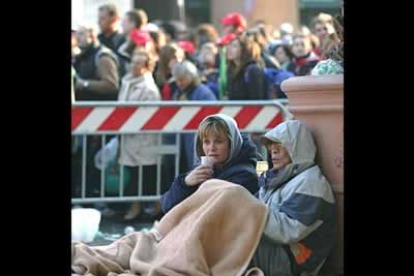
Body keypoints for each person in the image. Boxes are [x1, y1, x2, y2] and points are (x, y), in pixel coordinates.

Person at [248, 120, 336, 276]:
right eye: (271, 146)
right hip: (277, 249)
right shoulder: (277, 178)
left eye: (280, 146)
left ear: (298, 149)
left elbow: (286, 231)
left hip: (295, 261)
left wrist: (245, 210)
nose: (273, 151)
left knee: (235, 242)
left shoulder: (311, 183)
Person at [161, 113, 259, 214]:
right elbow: (166, 206)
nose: (211, 148)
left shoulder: (245, 175)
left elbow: (211, 211)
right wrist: (185, 183)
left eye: (219, 141)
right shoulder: (202, 170)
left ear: (231, 144)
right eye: (206, 142)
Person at [117, 48, 161, 220]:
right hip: (129, 136)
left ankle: (141, 207)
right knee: (135, 173)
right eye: (133, 61)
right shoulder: (127, 81)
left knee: (143, 174)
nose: (134, 66)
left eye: (139, 63)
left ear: (147, 66)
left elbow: (147, 116)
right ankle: (143, 206)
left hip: (143, 139)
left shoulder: (149, 89)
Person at [171, 60, 217, 172]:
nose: (178, 83)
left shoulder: (204, 93)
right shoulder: (180, 92)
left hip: (198, 140)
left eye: (181, 80)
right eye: (176, 80)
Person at [226, 34, 266, 100]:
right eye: (229, 45)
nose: (229, 49)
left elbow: (257, 99)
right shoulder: (231, 69)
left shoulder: (253, 70)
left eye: (234, 46)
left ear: (245, 49)